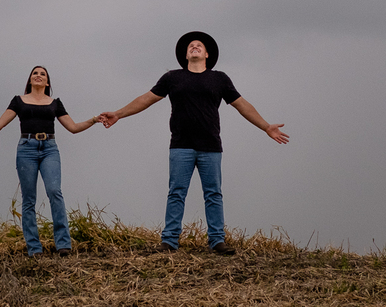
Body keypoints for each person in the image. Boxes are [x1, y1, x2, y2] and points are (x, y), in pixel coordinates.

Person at [97, 31, 288, 255]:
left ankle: (217, 241)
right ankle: (169, 241)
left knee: (213, 194)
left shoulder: (219, 79)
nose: (194, 46)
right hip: (181, 145)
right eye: (191, 46)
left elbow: (242, 105)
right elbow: (146, 99)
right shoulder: (172, 77)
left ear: (207, 54)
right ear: (186, 55)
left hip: (210, 147)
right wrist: (118, 114)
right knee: (176, 192)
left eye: (199, 45)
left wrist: (266, 126)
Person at [0, 65, 99, 257]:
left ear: (47, 82)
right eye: (35, 73)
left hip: (49, 149)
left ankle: (63, 245)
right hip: (26, 149)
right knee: (29, 199)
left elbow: (73, 127)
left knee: (55, 191)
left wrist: (94, 119)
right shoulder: (19, 101)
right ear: (30, 79)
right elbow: (0, 124)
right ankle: (34, 248)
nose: (38, 76)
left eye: (42, 74)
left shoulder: (55, 103)